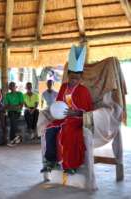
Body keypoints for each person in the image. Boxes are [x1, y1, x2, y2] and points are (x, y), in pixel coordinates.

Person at [41, 45, 93, 174]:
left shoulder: (83, 90)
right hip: (63, 118)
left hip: (77, 120)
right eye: (71, 77)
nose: (73, 80)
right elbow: (58, 102)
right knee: (50, 128)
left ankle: (71, 165)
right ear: (68, 76)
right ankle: (51, 161)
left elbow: (88, 112)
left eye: (76, 78)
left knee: (68, 131)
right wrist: (55, 113)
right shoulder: (64, 87)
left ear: (80, 78)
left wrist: (75, 112)